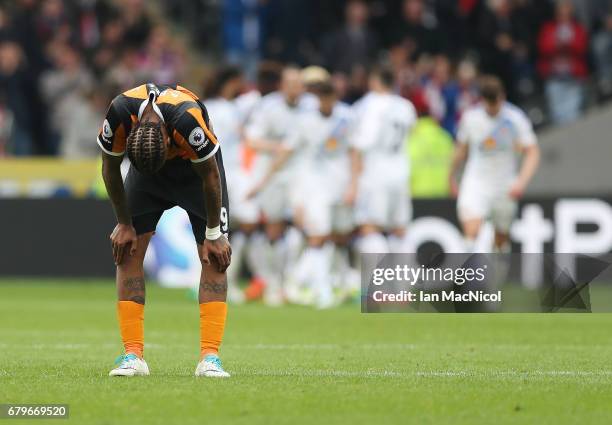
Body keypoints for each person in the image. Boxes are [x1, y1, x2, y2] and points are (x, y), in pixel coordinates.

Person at [98, 83, 232, 378]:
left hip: (196, 174)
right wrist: (124, 223)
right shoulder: (119, 111)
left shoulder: (187, 118)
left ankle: (210, 357)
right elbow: (109, 168)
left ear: (169, 139)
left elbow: (211, 176)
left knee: (214, 257)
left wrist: (213, 234)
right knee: (127, 253)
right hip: (146, 178)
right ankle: (132, 355)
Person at [249, 81, 355, 308]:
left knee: (337, 237)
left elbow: (355, 151)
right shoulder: (305, 122)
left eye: (330, 98)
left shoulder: (347, 118)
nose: (326, 102)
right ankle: (318, 290)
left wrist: (354, 185)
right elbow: (285, 153)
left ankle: (312, 283)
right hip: (312, 186)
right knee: (317, 236)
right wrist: (262, 182)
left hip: (340, 184)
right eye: (323, 98)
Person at [243, 66, 313, 305]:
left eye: (298, 83)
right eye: (290, 83)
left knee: (306, 224)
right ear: (282, 85)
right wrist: (277, 148)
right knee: (273, 229)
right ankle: (273, 282)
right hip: (272, 173)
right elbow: (252, 141)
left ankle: (292, 280)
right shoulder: (268, 107)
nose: (295, 88)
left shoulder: (311, 106)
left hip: (301, 172)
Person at [449, 75, 540, 253]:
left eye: (496, 103)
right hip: (476, 182)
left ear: (503, 97)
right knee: (471, 231)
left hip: (504, 184)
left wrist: (521, 181)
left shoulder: (515, 119)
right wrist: (451, 176)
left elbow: (533, 151)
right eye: (489, 104)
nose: (493, 109)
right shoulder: (471, 118)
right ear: (482, 100)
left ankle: (496, 275)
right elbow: (461, 150)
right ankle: (465, 278)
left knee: (501, 239)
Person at [349, 67, 417, 254]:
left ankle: (378, 281)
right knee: (399, 229)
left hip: (375, 174)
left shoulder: (368, 105)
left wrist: (353, 182)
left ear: (374, 81)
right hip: (401, 173)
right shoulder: (406, 106)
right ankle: (401, 282)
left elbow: (358, 145)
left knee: (370, 227)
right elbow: (411, 132)